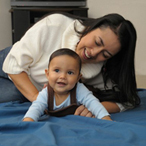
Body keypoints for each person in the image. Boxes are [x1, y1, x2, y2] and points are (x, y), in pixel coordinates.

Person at [0, 12, 140, 116]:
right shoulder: (55, 24)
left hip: (21, 88)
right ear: (91, 27)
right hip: (13, 62)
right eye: (97, 42)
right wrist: (38, 100)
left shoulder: (101, 71)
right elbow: (13, 65)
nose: (93, 53)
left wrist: (97, 107)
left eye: (105, 54)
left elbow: (129, 100)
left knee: (11, 96)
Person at [23, 48, 112, 121]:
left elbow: (93, 103)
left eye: (70, 72)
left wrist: (105, 118)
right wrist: (28, 121)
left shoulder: (79, 90)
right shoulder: (46, 93)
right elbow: (36, 107)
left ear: (78, 78)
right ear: (48, 74)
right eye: (57, 70)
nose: (62, 76)